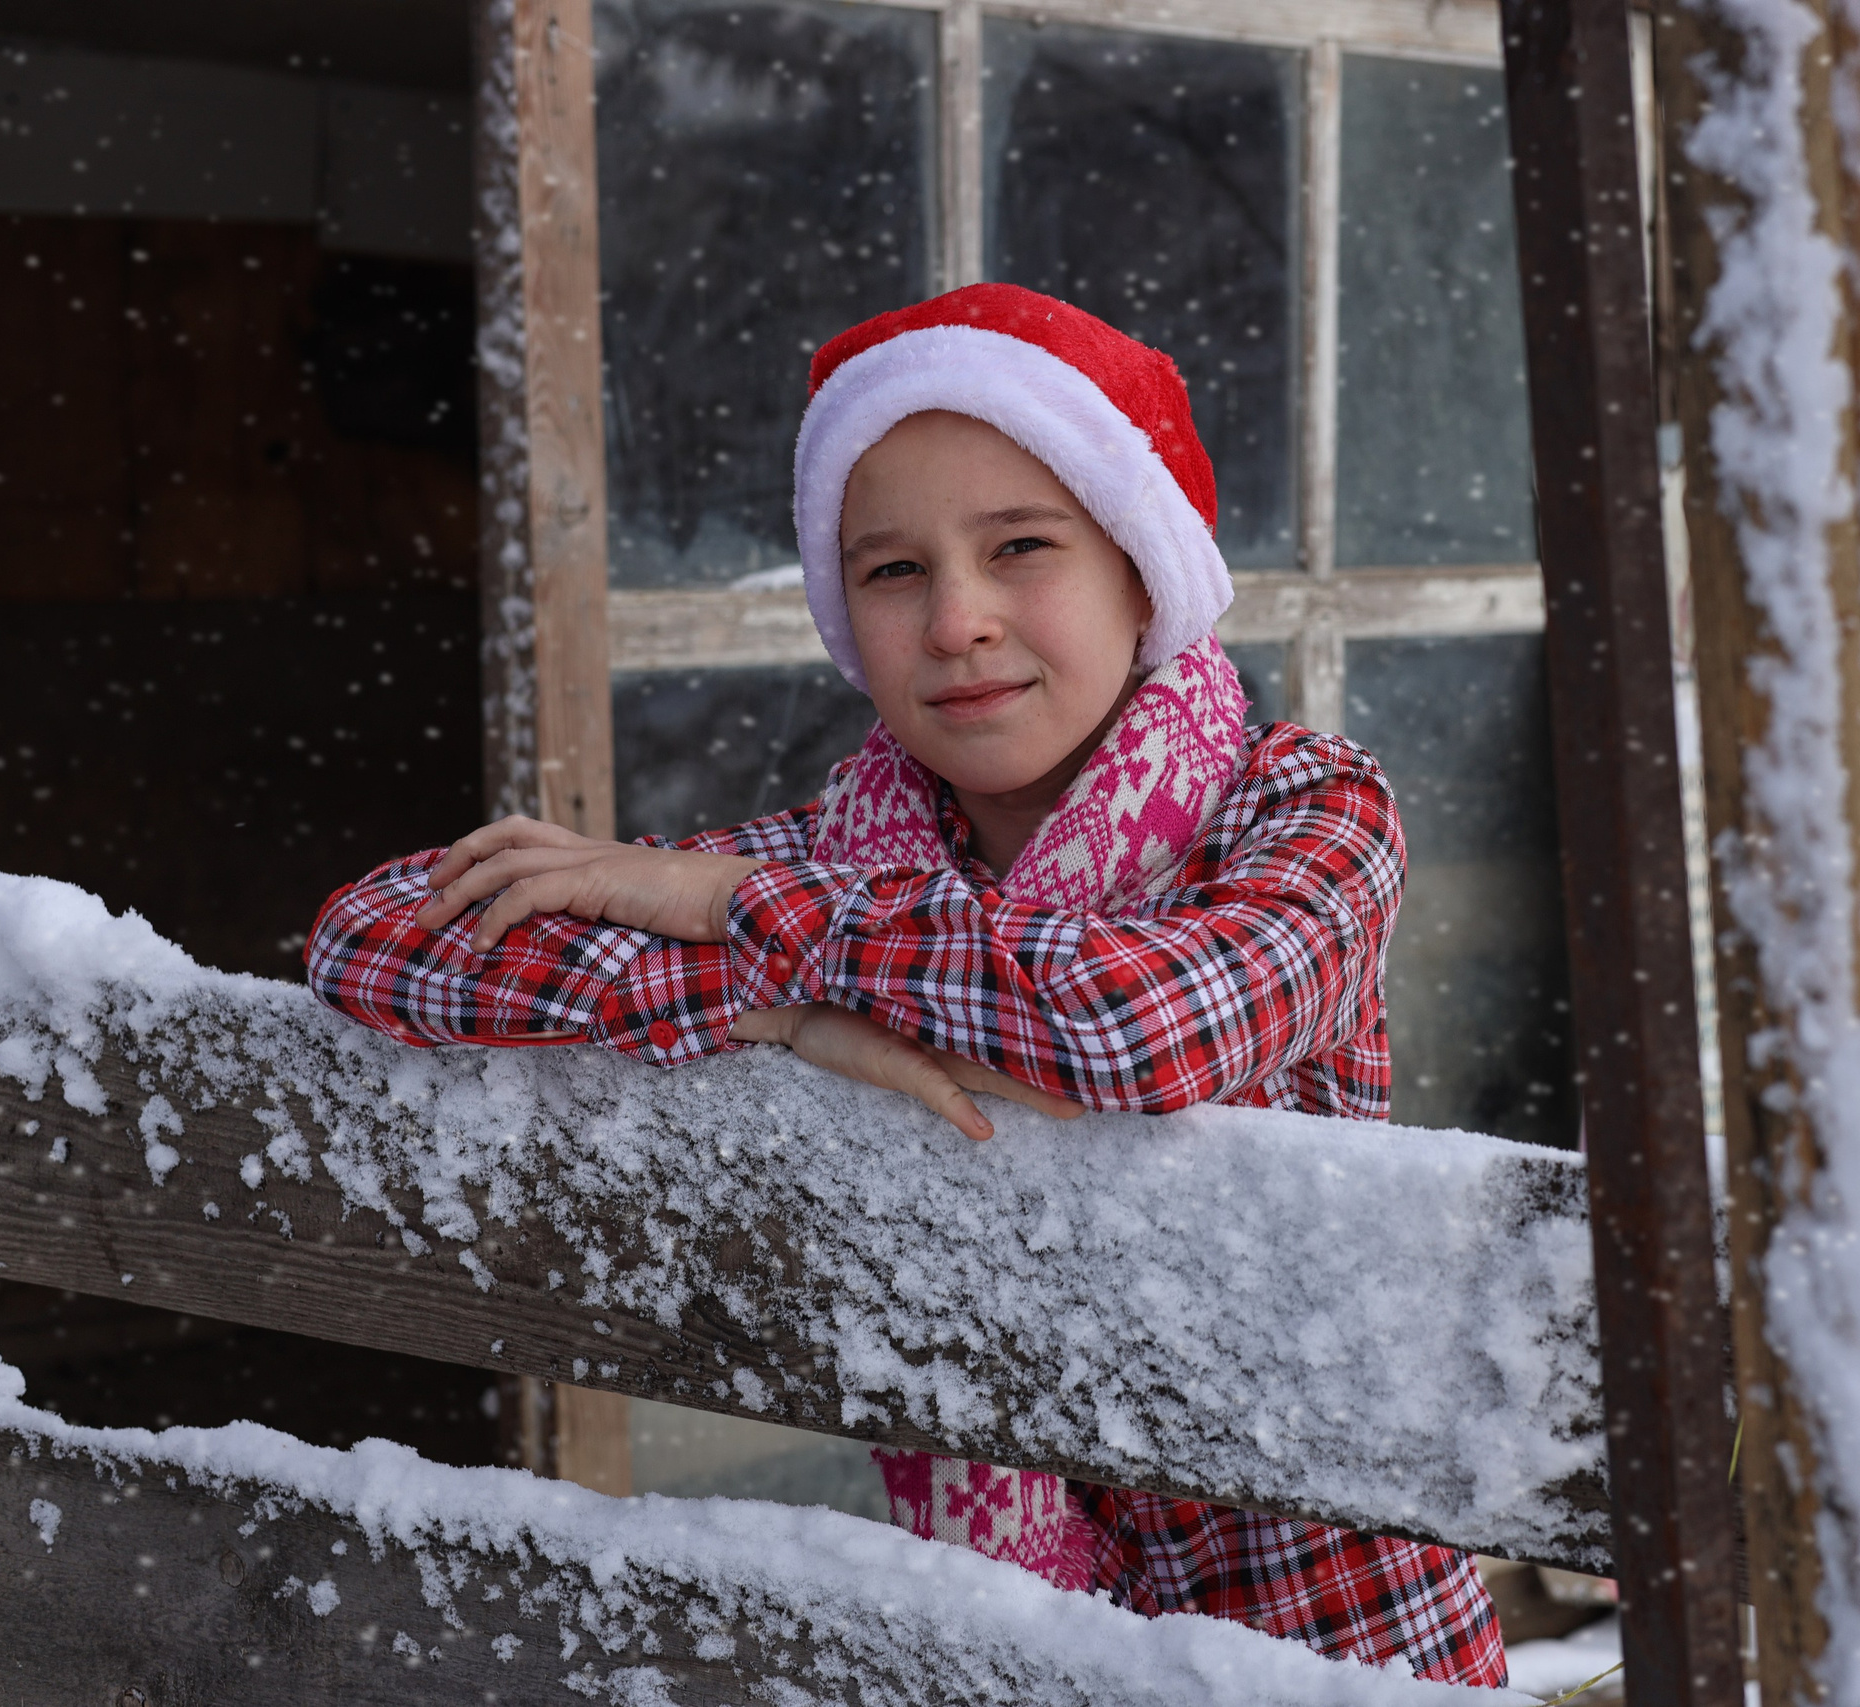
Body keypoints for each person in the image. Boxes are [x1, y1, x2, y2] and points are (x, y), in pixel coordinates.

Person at [305, 283, 1508, 1687]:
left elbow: (1142, 1027)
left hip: (1327, 1636)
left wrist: (739, 909)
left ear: (1141, 569)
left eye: (1021, 549)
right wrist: (788, 1014)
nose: (958, 621)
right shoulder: (849, 856)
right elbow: (378, 938)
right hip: (999, 1654)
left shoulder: (1301, 807)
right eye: (893, 571)